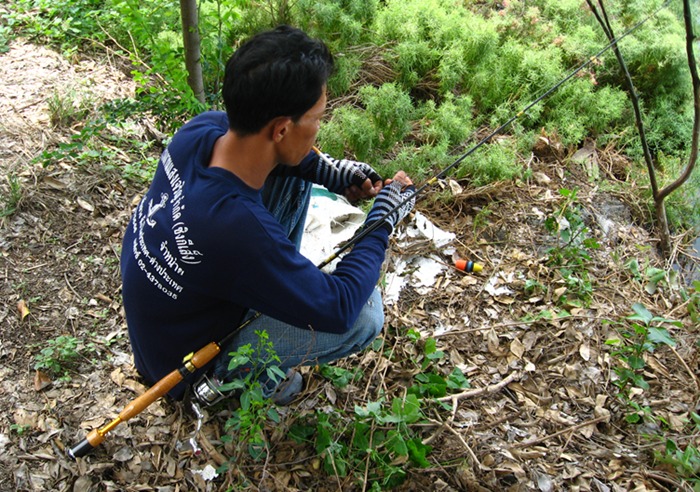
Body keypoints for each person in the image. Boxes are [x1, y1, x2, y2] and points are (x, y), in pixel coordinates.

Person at [120, 25, 416, 404]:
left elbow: (286, 162)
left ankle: (273, 292)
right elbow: (339, 308)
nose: (319, 127)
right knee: (366, 314)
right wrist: (382, 220)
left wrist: (327, 171)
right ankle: (235, 385)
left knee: (293, 177)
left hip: (164, 330)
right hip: (186, 369)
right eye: (318, 118)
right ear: (281, 129)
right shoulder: (236, 228)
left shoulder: (201, 130)